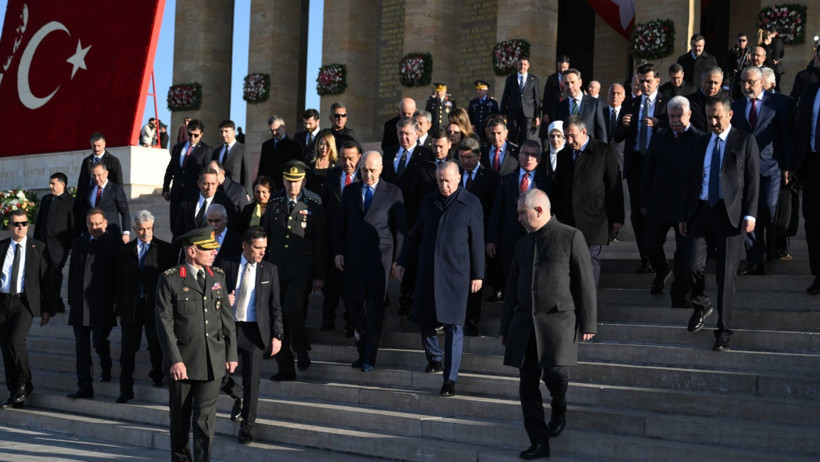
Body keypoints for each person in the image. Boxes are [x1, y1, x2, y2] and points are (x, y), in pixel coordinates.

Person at [500, 189, 597, 460]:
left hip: (559, 322)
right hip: (524, 324)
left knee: (555, 375)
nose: (518, 218)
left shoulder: (571, 236)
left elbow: (584, 283)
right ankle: (539, 442)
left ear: (539, 210)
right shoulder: (523, 244)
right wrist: (505, 327)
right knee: (527, 385)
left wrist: (589, 322)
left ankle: (559, 404)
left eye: (523, 213)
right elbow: (512, 289)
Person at [396, 161, 483, 397]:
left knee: (455, 325)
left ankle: (450, 379)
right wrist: (403, 260)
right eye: (440, 180)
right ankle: (435, 356)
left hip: (457, 274)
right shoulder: (429, 201)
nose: (444, 185)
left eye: (447, 180)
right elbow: (415, 235)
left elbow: (477, 241)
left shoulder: (471, 203)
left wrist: (478, 274)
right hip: (429, 271)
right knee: (423, 317)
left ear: (458, 179)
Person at [679, 95, 759, 351]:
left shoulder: (744, 140)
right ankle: (701, 304)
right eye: (710, 117)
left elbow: (753, 180)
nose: (713, 122)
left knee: (725, 276)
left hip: (730, 215)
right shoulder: (700, 142)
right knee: (691, 265)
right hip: (701, 211)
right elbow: (690, 180)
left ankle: (723, 332)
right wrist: (684, 214)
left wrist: (750, 214)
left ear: (729, 114)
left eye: (718, 117)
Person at [155, 226, 237, 462]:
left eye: (214, 248)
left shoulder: (217, 276)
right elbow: (164, 322)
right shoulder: (170, 278)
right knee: (180, 420)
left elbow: (226, 320)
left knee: (205, 421)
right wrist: (174, 360)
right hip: (183, 363)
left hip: (213, 361)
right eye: (208, 249)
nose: (214, 253)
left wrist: (231, 354)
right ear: (191, 251)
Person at [334, 152, 406, 371]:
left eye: (372, 170)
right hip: (354, 257)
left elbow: (400, 230)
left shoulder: (393, 192)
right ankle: (361, 350)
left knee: (375, 308)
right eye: (364, 170)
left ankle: (369, 357)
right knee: (354, 307)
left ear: (381, 169)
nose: (368, 174)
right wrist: (338, 251)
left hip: (380, 259)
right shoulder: (350, 191)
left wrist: (397, 260)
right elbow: (341, 225)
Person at [217, 226, 283, 444]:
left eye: (264, 247)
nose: (262, 252)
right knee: (218, 375)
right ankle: (239, 395)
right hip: (230, 328)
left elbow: (275, 306)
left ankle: (247, 427)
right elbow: (211, 297)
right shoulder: (226, 264)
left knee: (252, 382)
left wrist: (277, 335)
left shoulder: (270, 270)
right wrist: (224, 300)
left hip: (255, 331)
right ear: (245, 246)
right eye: (257, 248)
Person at [265, 160, 326, 381]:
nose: (292, 185)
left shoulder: (313, 205)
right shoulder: (274, 204)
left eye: (297, 181)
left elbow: (321, 242)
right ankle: (285, 367)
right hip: (276, 268)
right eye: (289, 181)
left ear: (304, 181)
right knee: (277, 316)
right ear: (283, 181)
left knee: (292, 309)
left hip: (301, 269)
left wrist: (320, 275)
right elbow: (265, 236)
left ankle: (300, 347)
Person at [640, 96, 702, 307]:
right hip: (659, 202)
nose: (675, 120)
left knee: (684, 253)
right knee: (649, 243)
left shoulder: (698, 139)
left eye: (679, 115)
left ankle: (679, 294)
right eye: (671, 116)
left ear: (689, 115)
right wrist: (643, 201)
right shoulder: (659, 138)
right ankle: (661, 269)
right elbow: (647, 170)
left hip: (685, 206)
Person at [731, 66, 792, 275]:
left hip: (771, 167)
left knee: (768, 206)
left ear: (761, 82)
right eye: (743, 82)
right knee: (749, 213)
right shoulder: (736, 107)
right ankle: (754, 260)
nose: (746, 86)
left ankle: (772, 242)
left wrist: (787, 167)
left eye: (751, 82)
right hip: (744, 170)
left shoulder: (776, 105)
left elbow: (784, 136)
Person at [552, 115, 625, 287]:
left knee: (590, 260)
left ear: (584, 131)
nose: (569, 141)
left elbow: (615, 186)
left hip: (595, 218)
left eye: (573, 136)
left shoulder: (603, 151)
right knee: (571, 262)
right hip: (570, 219)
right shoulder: (563, 155)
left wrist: (618, 217)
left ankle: (588, 303)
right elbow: (559, 187)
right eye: (566, 136)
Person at [114, 210, 176, 403]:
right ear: (134, 229)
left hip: (155, 307)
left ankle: (157, 374)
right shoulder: (125, 251)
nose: (145, 233)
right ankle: (126, 390)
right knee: (127, 351)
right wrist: (118, 309)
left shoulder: (164, 250)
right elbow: (118, 282)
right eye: (141, 229)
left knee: (156, 345)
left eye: (149, 228)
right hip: (131, 307)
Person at [614, 62, 669, 274]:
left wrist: (658, 124)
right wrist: (624, 125)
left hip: (658, 165)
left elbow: (676, 127)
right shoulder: (631, 104)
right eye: (641, 81)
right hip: (636, 162)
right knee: (637, 215)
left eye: (648, 81)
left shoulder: (667, 103)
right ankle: (645, 257)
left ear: (657, 80)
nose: (644, 85)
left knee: (653, 213)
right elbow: (617, 135)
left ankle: (657, 255)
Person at [66, 208, 122, 399]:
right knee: (81, 347)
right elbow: (72, 273)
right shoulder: (79, 243)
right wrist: (71, 299)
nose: (95, 227)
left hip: (102, 305)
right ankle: (84, 386)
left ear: (105, 223)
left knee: (98, 342)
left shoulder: (114, 244)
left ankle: (106, 366)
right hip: (80, 306)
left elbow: (118, 277)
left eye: (98, 223)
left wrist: (117, 305)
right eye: (91, 224)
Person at [487, 140, 551, 305]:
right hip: (509, 241)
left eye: (533, 155)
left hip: (537, 241)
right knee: (510, 283)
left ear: (539, 159)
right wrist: (491, 239)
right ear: (519, 155)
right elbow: (496, 212)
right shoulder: (506, 180)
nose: (529, 158)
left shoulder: (547, 182)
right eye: (525, 154)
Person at [0, 209, 51, 409]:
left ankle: (23, 383)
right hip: (3, 302)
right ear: (9, 226)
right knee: (5, 345)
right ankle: (15, 390)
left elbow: (46, 280)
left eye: (24, 223)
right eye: (16, 224)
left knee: (15, 340)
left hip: (25, 302)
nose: (20, 227)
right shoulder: (2, 247)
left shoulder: (38, 247)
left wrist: (48, 308)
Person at [457, 137, 498, 336]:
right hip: (457, 238)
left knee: (476, 280)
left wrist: (490, 239)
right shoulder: (454, 175)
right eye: (461, 157)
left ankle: (472, 320)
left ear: (479, 155)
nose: (465, 161)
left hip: (479, 237)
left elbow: (494, 210)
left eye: (469, 157)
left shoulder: (489, 177)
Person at [320, 141, 361, 334]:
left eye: (351, 159)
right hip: (332, 238)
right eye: (343, 158)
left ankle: (350, 322)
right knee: (331, 285)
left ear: (359, 157)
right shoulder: (332, 175)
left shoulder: (365, 176)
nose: (347, 163)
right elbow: (324, 203)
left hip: (355, 240)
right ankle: (327, 320)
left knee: (350, 286)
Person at [791, 79, 820, 294]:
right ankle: (818, 274)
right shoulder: (809, 90)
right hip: (812, 164)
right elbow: (800, 126)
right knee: (813, 222)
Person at [33, 172, 74, 313]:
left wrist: (71, 246)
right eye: (50, 183)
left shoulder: (70, 202)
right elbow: (39, 223)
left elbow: (72, 225)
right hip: (44, 245)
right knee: (44, 274)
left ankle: (56, 303)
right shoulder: (46, 200)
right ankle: (49, 302)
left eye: (53, 183)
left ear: (62, 184)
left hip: (59, 246)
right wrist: (35, 242)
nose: (50, 186)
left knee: (55, 274)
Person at [163, 120, 213, 232]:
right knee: (175, 227)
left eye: (196, 135)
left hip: (194, 194)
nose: (192, 137)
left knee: (190, 226)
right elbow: (170, 169)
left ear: (201, 135)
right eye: (190, 134)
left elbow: (207, 173)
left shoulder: (206, 150)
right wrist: (166, 188)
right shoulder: (177, 148)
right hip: (177, 194)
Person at [74, 132, 123, 237]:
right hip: (90, 200)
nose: (96, 148)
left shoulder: (113, 161)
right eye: (94, 145)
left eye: (99, 145)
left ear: (104, 144)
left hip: (106, 201)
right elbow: (82, 183)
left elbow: (118, 183)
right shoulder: (87, 161)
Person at [173, 168, 237, 242]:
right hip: (189, 251)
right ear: (199, 183)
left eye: (213, 184)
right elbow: (178, 231)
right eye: (206, 184)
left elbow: (232, 230)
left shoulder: (225, 203)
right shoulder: (187, 202)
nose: (210, 188)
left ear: (217, 183)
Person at [76, 162, 130, 244]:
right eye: (94, 175)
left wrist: (126, 232)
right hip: (92, 233)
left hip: (111, 232)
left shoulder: (115, 189)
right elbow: (85, 211)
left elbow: (124, 211)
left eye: (99, 175)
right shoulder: (89, 190)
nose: (97, 178)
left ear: (106, 173)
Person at [553, 68, 606, 141]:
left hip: (589, 149)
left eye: (572, 82)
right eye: (566, 83)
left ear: (580, 82)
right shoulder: (560, 106)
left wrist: (602, 150)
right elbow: (556, 131)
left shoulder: (594, 103)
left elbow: (601, 131)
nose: (570, 86)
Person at [258, 114, 304, 190]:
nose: (274, 133)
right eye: (271, 131)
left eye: (277, 130)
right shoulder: (266, 145)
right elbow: (262, 168)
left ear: (283, 128)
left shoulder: (295, 146)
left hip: (285, 188)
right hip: (268, 188)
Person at [501, 58, 541, 145]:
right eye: (520, 64)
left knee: (525, 137)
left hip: (528, 113)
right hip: (513, 112)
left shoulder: (534, 79)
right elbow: (505, 96)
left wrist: (537, 115)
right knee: (512, 137)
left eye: (525, 64)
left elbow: (537, 98)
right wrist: (502, 113)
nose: (522, 66)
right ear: (517, 65)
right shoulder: (510, 78)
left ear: (528, 66)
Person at [212, 120, 252, 195]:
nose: (223, 134)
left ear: (234, 132)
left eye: (226, 131)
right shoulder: (217, 151)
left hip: (235, 193)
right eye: (221, 131)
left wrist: (247, 193)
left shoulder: (243, 149)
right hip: (218, 193)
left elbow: (247, 175)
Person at [685, 66, 725, 133]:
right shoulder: (688, 102)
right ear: (701, 81)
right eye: (709, 82)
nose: (712, 87)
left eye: (716, 83)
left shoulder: (728, 102)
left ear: (721, 83)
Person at [206, 204, 243, 269]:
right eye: (210, 221)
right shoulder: (202, 238)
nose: (213, 224)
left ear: (226, 219)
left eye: (217, 221)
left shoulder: (237, 240)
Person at [540, 55, 571, 127]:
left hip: (566, 110)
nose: (562, 70)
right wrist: (545, 113)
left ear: (568, 66)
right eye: (560, 67)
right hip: (553, 111)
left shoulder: (571, 79)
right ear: (557, 65)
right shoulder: (551, 78)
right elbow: (546, 96)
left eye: (564, 67)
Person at [603, 84, 627, 174]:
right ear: (607, 96)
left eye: (618, 93)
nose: (615, 96)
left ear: (624, 97)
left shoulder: (627, 114)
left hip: (621, 159)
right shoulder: (601, 112)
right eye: (612, 93)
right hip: (602, 158)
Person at [723, 33, 751, 99]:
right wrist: (732, 70)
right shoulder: (732, 52)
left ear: (747, 41)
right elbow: (725, 64)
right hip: (735, 79)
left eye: (743, 40)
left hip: (746, 79)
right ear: (736, 41)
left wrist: (751, 59)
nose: (741, 42)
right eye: (739, 40)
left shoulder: (750, 52)